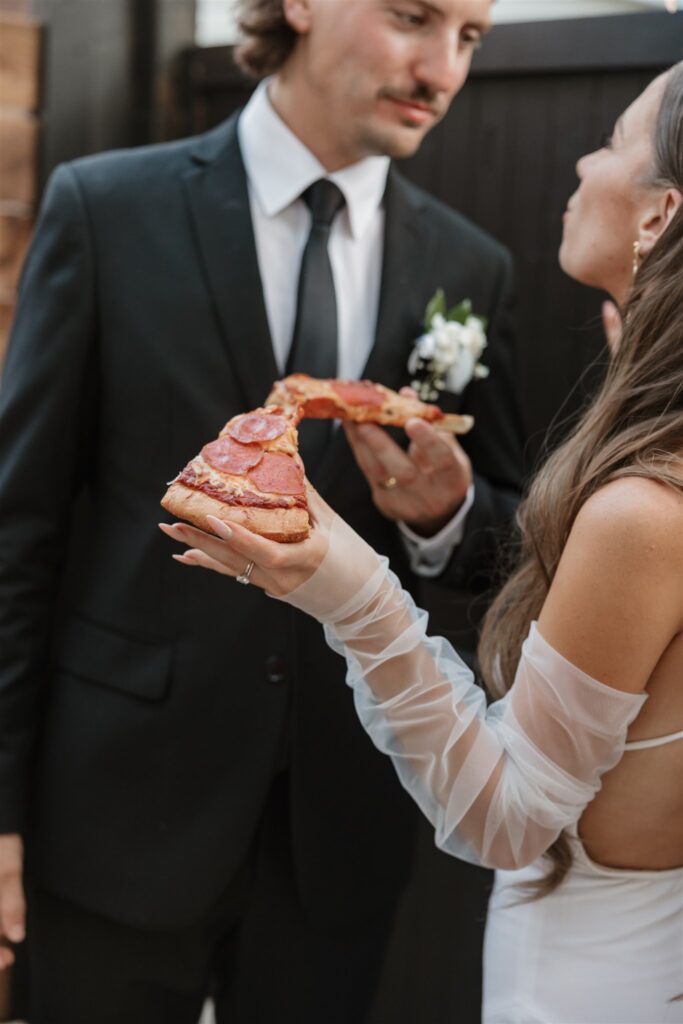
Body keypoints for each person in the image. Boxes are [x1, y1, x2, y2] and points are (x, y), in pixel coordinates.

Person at [0, 0, 523, 1020]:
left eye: (468, 37)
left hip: (340, 829)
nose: (442, 68)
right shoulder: (106, 207)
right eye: (415, 18)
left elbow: (499, 547)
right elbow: (17, 527)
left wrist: (445, 513)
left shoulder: (471, 268)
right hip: (116, 813)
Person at [163, 63, 683, 1024]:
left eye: (612, 137)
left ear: (659, 216)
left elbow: (510, 817)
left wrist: (348, 588)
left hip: (592, 980)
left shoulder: (646, 508)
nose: (580, 160)